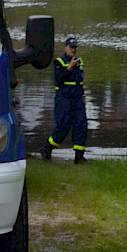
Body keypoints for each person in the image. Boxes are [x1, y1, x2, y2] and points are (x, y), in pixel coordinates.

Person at [44, 35, 87, 163]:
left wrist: (83, 95)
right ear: (65, 48)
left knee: (81, 125)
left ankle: (79, 157)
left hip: (77, 98)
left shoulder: (80, 61)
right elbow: (59, 79)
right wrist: (70, 67)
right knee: (63, 125)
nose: (73, 50)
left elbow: (80, 80)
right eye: (71, 47)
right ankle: (47, 148)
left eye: (75, 47)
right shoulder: (59, 62)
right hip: (64, 98)